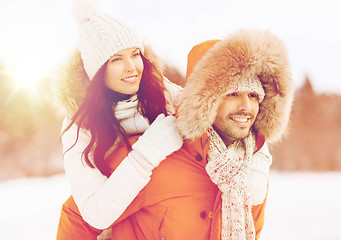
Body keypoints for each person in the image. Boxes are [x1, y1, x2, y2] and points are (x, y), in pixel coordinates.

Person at [57, 29, 294, 240]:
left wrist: (260, 150)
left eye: (254, 96)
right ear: (207, 100)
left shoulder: (248, 171)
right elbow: (79, 217)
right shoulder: (155, 151)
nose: (246, 107)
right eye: (232, 94)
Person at [52, 0, 183, 233]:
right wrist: (148, 151)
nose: (132, 67)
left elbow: (216, 114)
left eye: (135, 54)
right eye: (116, 59)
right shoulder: (78, 126)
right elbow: (96, 214)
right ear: (98, 70)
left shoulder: (163, 92)